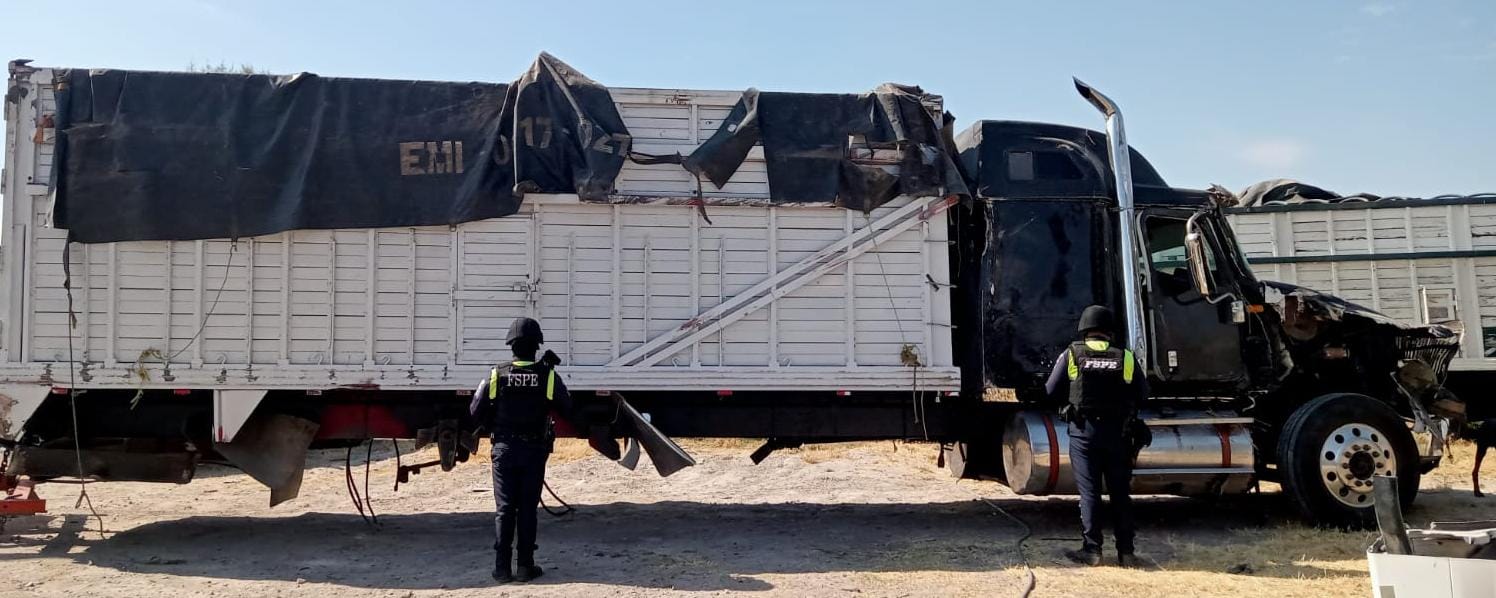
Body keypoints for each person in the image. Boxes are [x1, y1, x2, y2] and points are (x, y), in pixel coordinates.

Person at [470, 317, 575, 583]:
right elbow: (568, 408)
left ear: (511, 346)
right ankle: (526, 566)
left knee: (505, 509)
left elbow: (475, 411)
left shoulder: (497, 374)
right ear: (537, 346)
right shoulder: (548, 375)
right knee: (527, 508)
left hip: (504, 449)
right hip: (533, 450)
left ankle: (502, 568)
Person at [1044, 305, 1149, 568]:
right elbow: (1143, 393)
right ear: (1109, 332)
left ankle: (1092, 551)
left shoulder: (1071, 355)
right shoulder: (1125, 357)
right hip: (1118, 435)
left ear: (1084, 329)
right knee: (1120, 493)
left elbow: (1050, 389)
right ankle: (1126, 553)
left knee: (1090, 492)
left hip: (1084, 433)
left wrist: (1066, 405)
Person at [1455, 417, 1496, 497]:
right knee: (1478, 462)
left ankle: (1476, 488)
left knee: (1478, 461)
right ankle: (1476, 488)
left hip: (1487, 428)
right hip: (1487, 430)